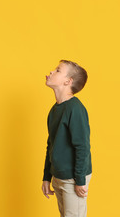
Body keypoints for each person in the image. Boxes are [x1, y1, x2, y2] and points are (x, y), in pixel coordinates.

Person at [42, 60, 92, 217]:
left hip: (73, 179)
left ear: (68, 81)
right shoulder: (55, 109)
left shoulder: (75, 109)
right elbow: (51, 145)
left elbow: (82, 147)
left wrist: (79, 181)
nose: (51, 72)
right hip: (58, 176)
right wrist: (47, 177)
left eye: (57, 70)